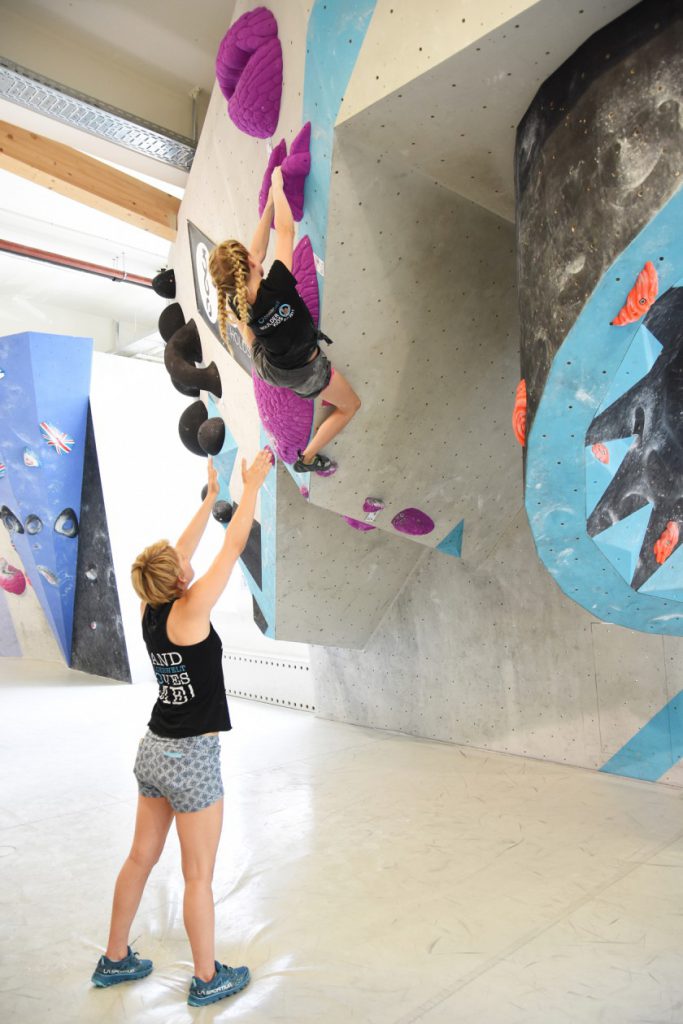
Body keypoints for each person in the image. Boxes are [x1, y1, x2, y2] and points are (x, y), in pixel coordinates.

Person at [91, 451, 272, 1008]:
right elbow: (232, 546)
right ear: (178, 580)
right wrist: (252, 487)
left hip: (153, 751)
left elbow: (182, 551)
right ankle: (206, 977)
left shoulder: (151, 602)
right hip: (191, 758)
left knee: (139, 857)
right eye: (180, 564)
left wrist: (208, 491)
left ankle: (115, 958)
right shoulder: (190, 612)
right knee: (198, 876)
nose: (186, 561)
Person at [209, 165, 361, 474]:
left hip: (267, 363)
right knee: (350, 406)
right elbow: (287, 231)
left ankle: (257, 343)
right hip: (298, 371)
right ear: (253, 264)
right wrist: (277, 187)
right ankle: (306, 459)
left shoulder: (237, 299)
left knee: (249, 329)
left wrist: (267, 207)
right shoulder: (277, 282)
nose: (257, 255)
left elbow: (257, 251)